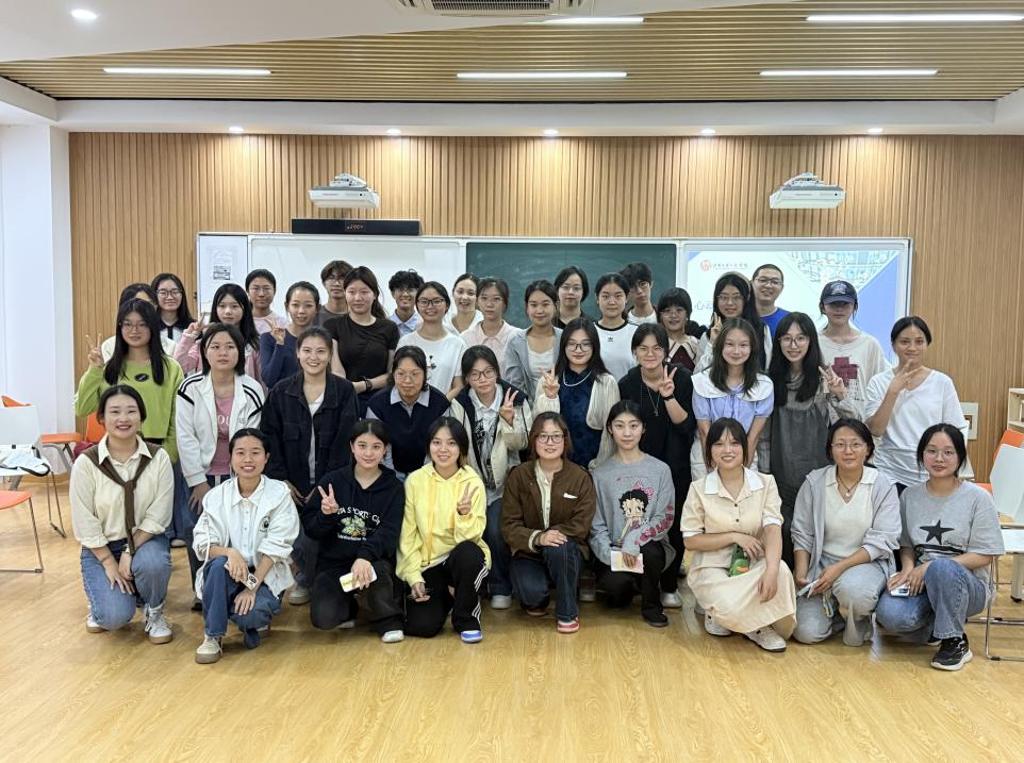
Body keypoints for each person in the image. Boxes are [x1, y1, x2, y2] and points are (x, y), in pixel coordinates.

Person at [875, 424, 1004, 670]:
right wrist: (908, 569)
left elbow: (986, 554)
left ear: (960, 456)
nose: (939, 459)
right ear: (922, 455)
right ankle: (941, 621)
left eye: (948, 452)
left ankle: (955, 641)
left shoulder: (978, 498)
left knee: (942, 569)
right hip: (921, 581)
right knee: (890, 616)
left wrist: (930, 567)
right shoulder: (909, 496)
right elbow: (906, 545)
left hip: (969, 586)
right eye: (931, 451)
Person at [260, 327, 360, 604]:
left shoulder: (344, 391)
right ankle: (303, 577)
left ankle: (322, 580)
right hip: (290, 481)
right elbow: (270, 438)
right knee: (295, 533)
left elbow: (346, 442)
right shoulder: (281, 392)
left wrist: (327, 483)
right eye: (307, 351)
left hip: (331, 481)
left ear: (330, 355)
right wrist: (281, 480)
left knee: (325, 528)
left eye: (320, 351)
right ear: (297, 353)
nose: (313, 357)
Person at [682, 417, 796, 652]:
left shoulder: (766, 483)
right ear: (709, 450)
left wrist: (771, 569)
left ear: (745, 448)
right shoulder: (698, 489)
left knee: (782, 572)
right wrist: (734, 536)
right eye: (719, 444)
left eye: (734, 443)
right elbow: (691, 540)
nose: (727, 450)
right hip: (713, 567)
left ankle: (756, 626)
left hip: (754, 563)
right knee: (728, 606)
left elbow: (773, 529)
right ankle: (734, 618)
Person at [70, 385, 174, 643]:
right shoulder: (86, 463)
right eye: (115, 412)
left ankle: (154, 610)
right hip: (101, 547)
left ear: (141, 417)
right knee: (114, 618)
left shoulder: (158, 458)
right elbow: (84, 520)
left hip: (145, 542)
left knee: (152, 564)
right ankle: (102, 602)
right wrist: (108, 561)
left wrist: (129, 551)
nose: (123, 418)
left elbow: (159, 515)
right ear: (102, 418)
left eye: (131, 411)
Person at [192, 429, 300, 664]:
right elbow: (202, 542)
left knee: (251, 616)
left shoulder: (279, 494)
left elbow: (277, 546)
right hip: (228, 571)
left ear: (266, 457)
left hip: (261, 574)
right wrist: (230, 552)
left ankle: (227, 609)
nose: (248, 459)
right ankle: (212, 636)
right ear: (230, 457)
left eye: (255, 453)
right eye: (240, 453)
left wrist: (251, 588)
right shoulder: (217, 495)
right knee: (218, 565)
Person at [791, 419, 901, 646]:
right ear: (830, 449)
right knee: (806, 633)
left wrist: (839, 569)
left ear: (868, 449)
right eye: (840, 444)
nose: (848, 451)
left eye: (856, 444)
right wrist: (802, 572)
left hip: (866, 565)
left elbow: (882, 541)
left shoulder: (883, 485)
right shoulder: (814, 482)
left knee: (854, 591)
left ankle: (857, 617)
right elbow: (802, 533)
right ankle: (839, 614)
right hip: (822, 565)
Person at [176, 323, 265, 589]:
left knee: (236, 530)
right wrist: (197, 481)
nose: (222, 353)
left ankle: (236, 586)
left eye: (229, 347)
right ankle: (201, 588)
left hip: (238, 474)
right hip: (200, 474)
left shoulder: (252, 389)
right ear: (204, 351)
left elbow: (251, 439)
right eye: (215, 346)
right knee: (197, 530)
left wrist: (242, 480)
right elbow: (185, 437)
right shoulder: (190, 387)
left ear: (240, 352)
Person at [764, 312, 857, 564]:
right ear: (778, 342)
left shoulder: (825, 379)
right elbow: (763, 437)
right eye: (787, 338)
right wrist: (763, 475)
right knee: (783, 534)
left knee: (818, 534)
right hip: (780, 475)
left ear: (811, 341)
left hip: (819, 475)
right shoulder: (769, 381)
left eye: (801, 338)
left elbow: (854, 425)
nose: (793, 345)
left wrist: (840, 395)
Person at [302, 420, 406, 643]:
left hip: (374, 561)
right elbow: (311, 530)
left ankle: (389, 620)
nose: (368, 453)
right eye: (362, 445)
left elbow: (389, 533)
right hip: (335, 564)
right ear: (351, 446)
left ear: (385, 450)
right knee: (324, 618)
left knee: (378, 574)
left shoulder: (394, 487)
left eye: (376, 447)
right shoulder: (332, 481)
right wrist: (326, 515)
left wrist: (364, 556)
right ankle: (350, 607)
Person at [447, 346, 533, 609]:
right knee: (469, 530)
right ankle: (473, 586)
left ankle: (500, 586)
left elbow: (522, 444)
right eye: (475, 375)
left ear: (497, 372)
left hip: (505, 483)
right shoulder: (460, 403)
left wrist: (508, 421)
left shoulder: (516, 399)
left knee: (495, 529)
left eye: (488, 372)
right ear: (467, 378)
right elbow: (455, 445)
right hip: (469, 482)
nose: (482, 379)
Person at [617, 324, 696, 608]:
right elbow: (624, 429)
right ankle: (643, 581)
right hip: (640, 467)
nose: (650, 354)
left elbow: (686, 426)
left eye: (657, 348)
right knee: (640, 521)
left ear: (666, 351)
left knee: (673, 525)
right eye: (643, 348)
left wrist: (669, 396)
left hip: (676, 465)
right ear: (634, 352)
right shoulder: (627, 383)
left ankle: (669, 585)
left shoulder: (682, 378)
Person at [397, 417, 490, 643]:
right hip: (429, 563)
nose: (443, 449)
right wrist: (413, 576)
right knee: (422, 627)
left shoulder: (472, 482)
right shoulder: (415, 480)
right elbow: (407, 534)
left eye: (451, 443)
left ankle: (466, 618)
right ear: (429, 446)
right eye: (436, 442)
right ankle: (447, 596)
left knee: (469, 553)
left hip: (461, 560)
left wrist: (463, 514)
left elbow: (473, 537)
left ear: (461, 448)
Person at [502, 413, 597, 633]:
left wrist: (552, 536)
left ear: (565, 440)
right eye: (543, 436)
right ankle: (541, 595)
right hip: (529, 551)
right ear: (534, 440)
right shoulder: (519, 475)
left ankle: (567, 613)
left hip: (566, 551)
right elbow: (509, 525)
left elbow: (582, 523)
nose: (550, 442)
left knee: (559, 546)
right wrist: (539, 537)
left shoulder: (580, 477)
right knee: (532, 597)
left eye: (556, 436)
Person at [589, 401, 675, 627]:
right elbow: (597, 525)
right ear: (610, 429)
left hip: (649, 548)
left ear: (643, 428)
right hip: (616, 552)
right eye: (619, 426)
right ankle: (634, 585)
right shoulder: (600, 473)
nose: (627, 433)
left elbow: (664, 518)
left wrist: (633, 540)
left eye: (633, 425)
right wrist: (610, 555)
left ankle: (652, 606)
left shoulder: (660, 470)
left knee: (651, 552)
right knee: (616, 591)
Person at [866, 316, 968, 492]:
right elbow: (875, 430)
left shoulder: (942, 382)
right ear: (893, 345)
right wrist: (893, 392)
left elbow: (955, 430)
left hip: (931, 473)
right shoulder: (879, 382)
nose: (912, 348)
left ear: (927, 344)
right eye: (905, 342)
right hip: (889, 473)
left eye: (919, 342)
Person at [76, 298, 184, 463]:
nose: (134, 330)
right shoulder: (109, 369)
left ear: (152, 327)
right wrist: (94, 370)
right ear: (120, 327)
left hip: (159, 453)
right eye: (127, 324)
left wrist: (167, 456)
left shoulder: (171, 368)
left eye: (142, 324)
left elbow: (178, 418)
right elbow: (82, 408)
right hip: (116, 454)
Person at [690, 318, 773, 478]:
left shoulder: (764, 385)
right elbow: (704, 431)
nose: (736, 351)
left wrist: (740, 472)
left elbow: (753, 436)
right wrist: (715, 471)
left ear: (752, 348)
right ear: (720, 345)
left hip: (745, 454)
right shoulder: (702, 381)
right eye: (729, 344)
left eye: (743, 345)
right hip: (706, 456)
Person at [534, 318, 620, 470]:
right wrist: (550, 397)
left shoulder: (606, 382)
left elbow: (611, 433)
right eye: (572, 344)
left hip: (595, 468)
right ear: (563, 346)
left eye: (585, 344)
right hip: (554, 467)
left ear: (594, 346)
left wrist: (598, 468)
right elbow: (539, 429)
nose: (578, 350)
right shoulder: (548, 380)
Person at [366, 347, 451, 479]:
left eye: (415, 374)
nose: (407, 381)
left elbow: (440, 446)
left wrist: (423, 478)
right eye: (401, 374)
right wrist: (391, 479)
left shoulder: (439, 404)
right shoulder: (377, 404)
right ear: (393, 373)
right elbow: (377, 447)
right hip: (387, 474)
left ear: (425, 374)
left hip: (430, 474)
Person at [324, 266, 399, 410]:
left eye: (364, 292)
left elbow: (392, 374)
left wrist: (364, 385)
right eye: (351, 292)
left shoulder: (389, 328)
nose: (357, 298)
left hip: (379, 402)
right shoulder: (332, 325)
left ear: (374, 294)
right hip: (343, 399)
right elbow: (336, 369)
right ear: (345, 293)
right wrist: (348, 389)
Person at [817, 280, 888, 419]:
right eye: (833, 304)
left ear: (855, 306)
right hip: (821, 425)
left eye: (845, 304)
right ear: (823, 307)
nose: (839, 309)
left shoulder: (870, 344)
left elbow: (880, 390)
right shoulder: (813, 342)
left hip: (859, 425)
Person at [175, 283, 262, 384]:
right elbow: (179, 366)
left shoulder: (254, 345)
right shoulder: (204, 343)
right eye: (222, 306)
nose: (228, 311)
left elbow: (261, 381)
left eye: (234, 306)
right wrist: (189, 336)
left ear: (245, 309)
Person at [397, 281, 468, 396]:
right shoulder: (406, 342)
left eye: (436, 301)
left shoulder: (457, 344)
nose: (430, 306)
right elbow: (398, 379)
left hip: (444, 405)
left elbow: (458, 385)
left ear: (447, 305)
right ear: (417, 305)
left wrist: (440, 404)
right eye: (424, 301)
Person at [695, 273, 771, 372]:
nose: (730, 303)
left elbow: (767, 367)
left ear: (747, 299)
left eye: (736, 297)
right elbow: (698, 374)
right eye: (724, 297)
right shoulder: (709, 335)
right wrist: (713, 343)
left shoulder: (761, 330)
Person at [504, 280, 562, 401]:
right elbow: (514, 384)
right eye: (534, 305)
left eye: (545, 304)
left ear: (556, 306)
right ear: (527, 308)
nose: (539, 310)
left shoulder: (565, 338)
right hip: (526, 407)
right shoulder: (516, 342)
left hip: (560, 405)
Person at [259, 280, 320, 389]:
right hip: (280, 398)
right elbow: (269, 380)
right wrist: (280, 344)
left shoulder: (323, 340)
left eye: (308, 305)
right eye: (295, 305)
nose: (301, 311)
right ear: (287, 306)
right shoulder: (268, 338)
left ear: (317, 308)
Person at [460, 277, 522, 376]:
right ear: (477, 301)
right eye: (484, 298)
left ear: (505, 303)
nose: (489, 304)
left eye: (496, 299)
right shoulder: (465, 338)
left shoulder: (517, 337)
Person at [100, 282, 176, 360]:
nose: (145, 310)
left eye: (149, 304)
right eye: (138, 304)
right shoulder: (109, 346)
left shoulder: (170, 346)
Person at [592, 272, 638, 381]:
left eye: (618, 296)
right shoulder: (588, 331)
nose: (612, 302)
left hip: (629, 391)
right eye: (605, 296)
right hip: (595, 391)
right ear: (597, 298)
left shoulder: (638, 332)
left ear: (626, 298)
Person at [656, 287, 701, 372]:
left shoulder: (696, 345)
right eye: (667, 311)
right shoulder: (655, 344)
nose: (673, 315)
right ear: (660, 316)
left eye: (679, 310)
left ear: (687, 313)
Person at [151, 272, 194, 344]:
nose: (170, 297)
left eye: (175, 292)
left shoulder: (192, 327)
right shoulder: (149, 327)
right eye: (163, 292)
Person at [751, 264, 790, 336]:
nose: (768, 285)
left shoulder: (789, 319)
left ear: (782, 288)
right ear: (752, 283)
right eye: (763, 280)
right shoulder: (740, 317)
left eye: (775, 282)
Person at [246, 268, 287, 334]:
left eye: (266, 288)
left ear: (274, 291)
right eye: (256, 288)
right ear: (247, 291)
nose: (261, 294)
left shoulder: (282, 324)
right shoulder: (240, 321)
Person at [388, 269, 424, 337]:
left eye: (410, 290)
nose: (405, 294)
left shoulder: (425, 326)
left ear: (419, 294)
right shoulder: (384, 326)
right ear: (393, 294)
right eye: (400, 290)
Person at [318, 259, 352, 324]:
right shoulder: (313, 316)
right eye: (331, 278)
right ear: (324, 283)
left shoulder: (359, 316)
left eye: (342, 278)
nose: (336, 283)